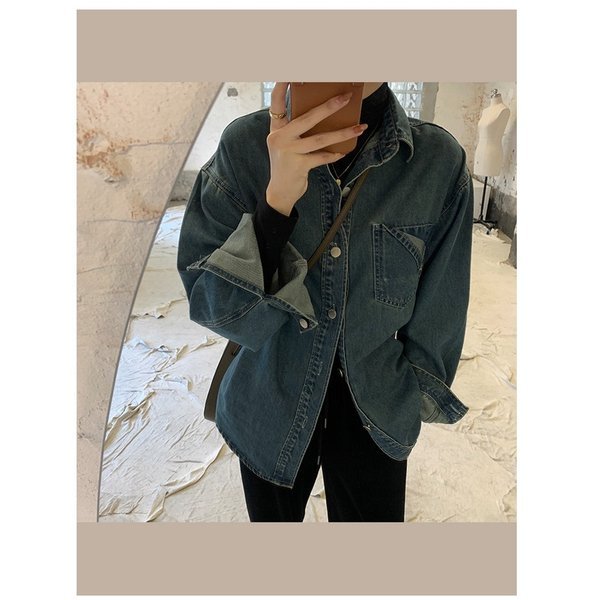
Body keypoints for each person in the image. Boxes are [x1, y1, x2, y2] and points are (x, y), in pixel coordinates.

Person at [177, 82, 474, 522]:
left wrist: (408, 399)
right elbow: (214, 306)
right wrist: (277, 202)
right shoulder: (244, 148)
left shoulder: (435, 163)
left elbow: (440, 314)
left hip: (377, 407)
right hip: (266, 404)